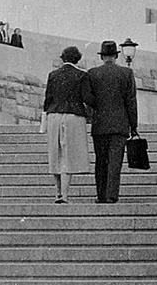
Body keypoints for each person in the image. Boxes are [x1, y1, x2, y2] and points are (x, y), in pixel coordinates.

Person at [87, 40, 138, 203]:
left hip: (100, 125)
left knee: (100, 161)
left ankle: (100, 195)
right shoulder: (126, 73)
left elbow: (89, 99)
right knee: (115, 162)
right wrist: (133, 125)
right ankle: (111, 195)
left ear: (102, 57)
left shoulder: (92, 73)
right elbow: (131, 101)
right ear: (116, 56)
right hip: (119, 124)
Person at [43, 46, 94, 203]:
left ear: (62, 58)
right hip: (73, 116)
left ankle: (58, 191)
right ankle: (64, 195)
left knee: (55, 154)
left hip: (54, 116)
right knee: (68, 156)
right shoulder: (81, 75)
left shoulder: (53, 75)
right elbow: (88, 99)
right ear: (77, 59)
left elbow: (47, 100)